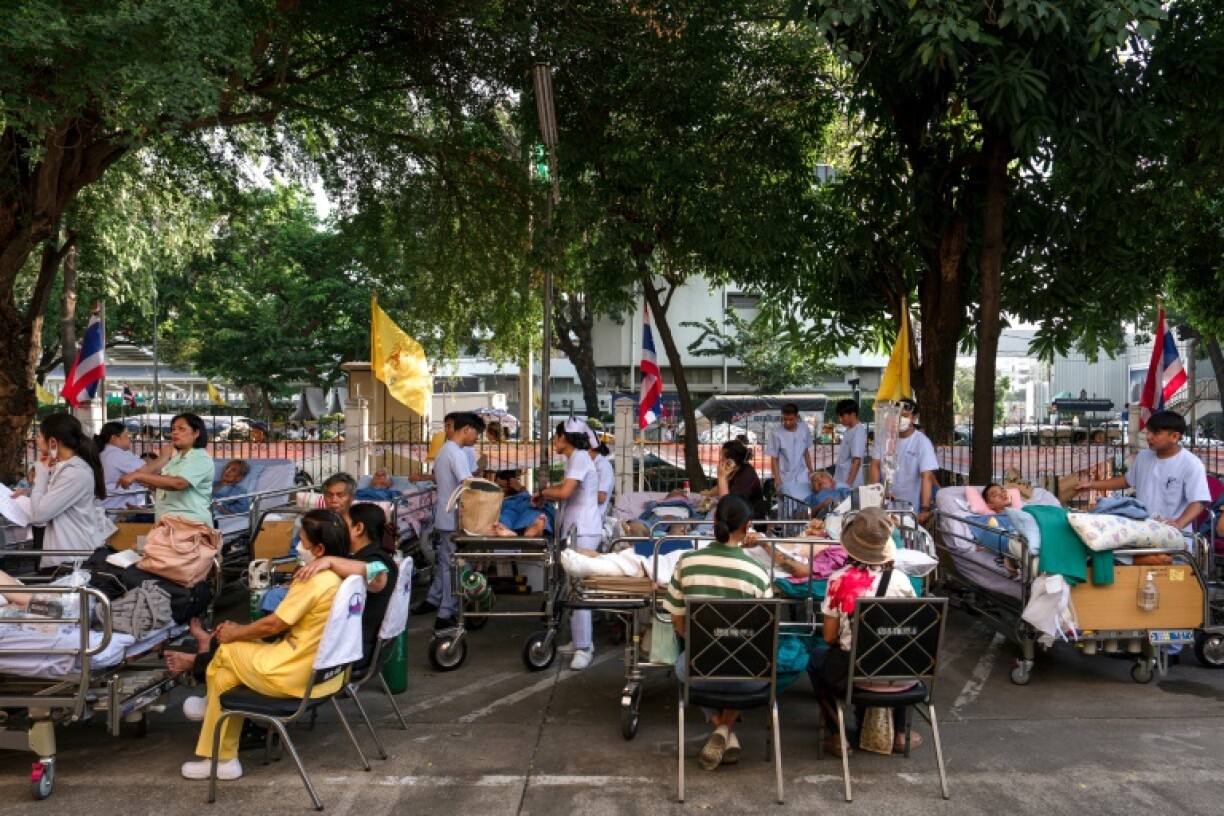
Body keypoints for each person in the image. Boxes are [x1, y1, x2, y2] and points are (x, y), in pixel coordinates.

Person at [177, 509, 349, 782]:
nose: (296, 546)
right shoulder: (341, 576)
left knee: (227, 648)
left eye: (301, 541)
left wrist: (235, 632)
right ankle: (223, 759)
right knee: (224, 676)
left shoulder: (314, 580)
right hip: (324, 673)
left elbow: (273, 625)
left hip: (294, 674)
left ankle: (211, 706)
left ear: (319, 549)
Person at [661, 494, 773, 771]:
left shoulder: (687, 563)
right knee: (762, 661)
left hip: (698, 674)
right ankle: (726, 731)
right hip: (750, 679)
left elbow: (677, 619)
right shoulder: (757, 573)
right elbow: (765, 635)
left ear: (713, 520)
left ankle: (720, 729)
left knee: (682, 663)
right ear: (748, 526)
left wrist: (697, 644)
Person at [811, 507, 919, 757]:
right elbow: (910, 632)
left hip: (855, 675)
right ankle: (901, 733)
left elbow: (829, 637)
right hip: (903, 676)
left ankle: (837, 735)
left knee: (816, 659)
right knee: (896, 650)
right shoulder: (903, 581)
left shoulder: (839, 579)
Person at [292, 503, 397, 671]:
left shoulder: (377, 559)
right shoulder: (359, 556)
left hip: (354, 651)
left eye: (343, 525)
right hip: (356, 646)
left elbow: (377, 575)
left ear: (358, 528)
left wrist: (329, 561)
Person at [536, 419, 601, 670]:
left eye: (557, 436)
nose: (554, 441)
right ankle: (579, 642)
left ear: (566, 438)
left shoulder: (580, 458)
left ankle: (584, 648)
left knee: (579, 588)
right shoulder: (576, 459)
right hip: (575, 529)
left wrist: (542, 492)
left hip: (583, 530)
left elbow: (564, 492)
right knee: (573, 588)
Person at [1077, 410, 1209, 532]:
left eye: (1156, 433)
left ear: (1174, 437)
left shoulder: (1191, 464)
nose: (1149, 437)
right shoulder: (1144, 456)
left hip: (1173, 535)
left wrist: (1178, 524)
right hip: (1142, 529)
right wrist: (1091, 485)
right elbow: (1127, 481)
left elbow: (1198, 502)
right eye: (1148, 432)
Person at [414, 412, 484, 626]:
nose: (477, 439)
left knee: (447, 563)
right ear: (466, 430)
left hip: (446, 518)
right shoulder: (456, 453)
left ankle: (443, 608)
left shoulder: (446, 451)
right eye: (476, 434)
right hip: (455, 518)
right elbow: (467, 485)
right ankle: (447, 612)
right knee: (458, 566)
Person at [28, 414, 107, 570]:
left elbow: (39, 515)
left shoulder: (74, 473)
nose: (36, 440)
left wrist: (41, 475)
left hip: (71, 558)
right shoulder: (66, 469)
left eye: (39, 436)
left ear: (52, 442)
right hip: (65, 556)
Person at [118, 412, 213, 527]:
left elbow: (178, 483)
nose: (175, 432)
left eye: (181, 429)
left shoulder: (200, 457)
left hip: (188, 526)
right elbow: (165, 483)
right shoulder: (177, 458)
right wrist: (151, 483)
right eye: (173, 429)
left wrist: (138, 476)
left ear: (196, 433)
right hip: (170, 524)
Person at [868, 399, 938, 524]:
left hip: (910, 507)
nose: (900, 418)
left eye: (905, 415)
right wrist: (876, 494)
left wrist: (925, 508)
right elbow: (875, 465)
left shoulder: (922, 442)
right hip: (885, 504)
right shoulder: (883, 437)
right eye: (896, 414)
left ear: (914, 418)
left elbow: (926, 476)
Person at [702, 439, 767, 519]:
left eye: (723, 458)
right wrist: (709, 493)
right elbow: (723, 486)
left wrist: (721, 477)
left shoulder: (745, 476)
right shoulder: (736, 469)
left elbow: (727, 504)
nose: (721, 461)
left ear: (731, 462)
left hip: (748, 520)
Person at [767, 403, 814, 499]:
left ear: (797, 417)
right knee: (787, 506)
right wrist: (777, 480)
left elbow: (806, 452)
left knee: (804, 502)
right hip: (785, 476)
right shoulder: (776, 434)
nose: (787, 422)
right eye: (785, 419)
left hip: (802, 474)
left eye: (791, 419)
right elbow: (774, 459)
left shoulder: (804, 428)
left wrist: (811, 471)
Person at [94, 422, 147, 509]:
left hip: (105, 507)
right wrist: (164, 456)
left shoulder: (104, 454)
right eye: (126, 435)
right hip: (118, 510)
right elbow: (147, 471)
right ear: (114, 438)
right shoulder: (117, 455)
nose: (129, 438)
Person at [834, 399, 866, 489]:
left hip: (850, 482)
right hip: (841, 477)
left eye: (842, 416)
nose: (840, 420)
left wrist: (848, 485)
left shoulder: (858, 432)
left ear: (853, 414)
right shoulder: (849, 429)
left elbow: (857, 462)